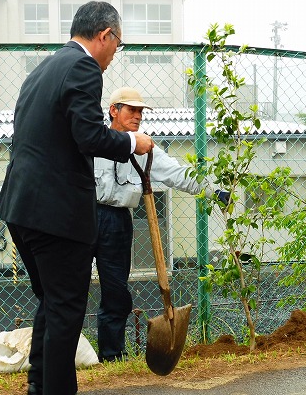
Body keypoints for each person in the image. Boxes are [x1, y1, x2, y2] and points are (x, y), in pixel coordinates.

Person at [0, 1, 154, 395]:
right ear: (104, 35)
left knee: (52, 300)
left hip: (21, 206)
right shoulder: (84, 69)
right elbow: (87, 134)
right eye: (117, 43)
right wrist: (131, 142)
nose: (115, 53)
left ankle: (40, 387)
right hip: (56, 213)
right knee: (67, 305)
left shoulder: (42, 70)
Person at [93, 86, 229, 362]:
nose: (137, 116)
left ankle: (111, 356)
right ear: (113, 111)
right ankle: (64, 357)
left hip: (118, 220)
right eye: (131, 110)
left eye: (140, 111)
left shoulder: (144, 148)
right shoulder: (94, 140)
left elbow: (177, 174)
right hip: (82, 215)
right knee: (67, 289)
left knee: (116, 291)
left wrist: (214, 190)